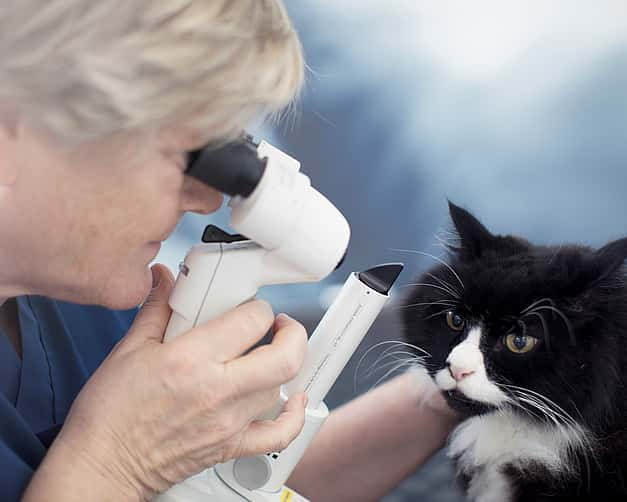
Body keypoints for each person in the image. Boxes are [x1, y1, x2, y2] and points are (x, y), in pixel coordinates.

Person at [0, 1, 458, 501]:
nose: (207, 200)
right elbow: (138, 468)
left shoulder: (71, 291)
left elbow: (218, 487)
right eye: (186, 152)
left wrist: (449, 394)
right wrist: (118, 461)